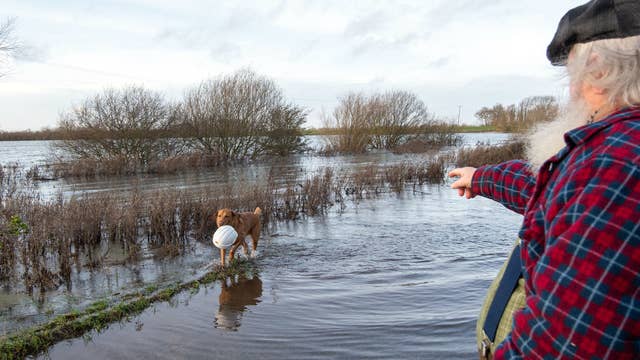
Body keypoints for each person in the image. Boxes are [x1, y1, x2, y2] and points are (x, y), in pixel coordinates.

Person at [448, 0, 640, 358]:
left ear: (596, 71)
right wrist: (480, 178)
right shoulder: (610, 156)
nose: (571, 90)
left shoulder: (618, 161)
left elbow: (562, 346)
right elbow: (548, 190)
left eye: (571, 74)